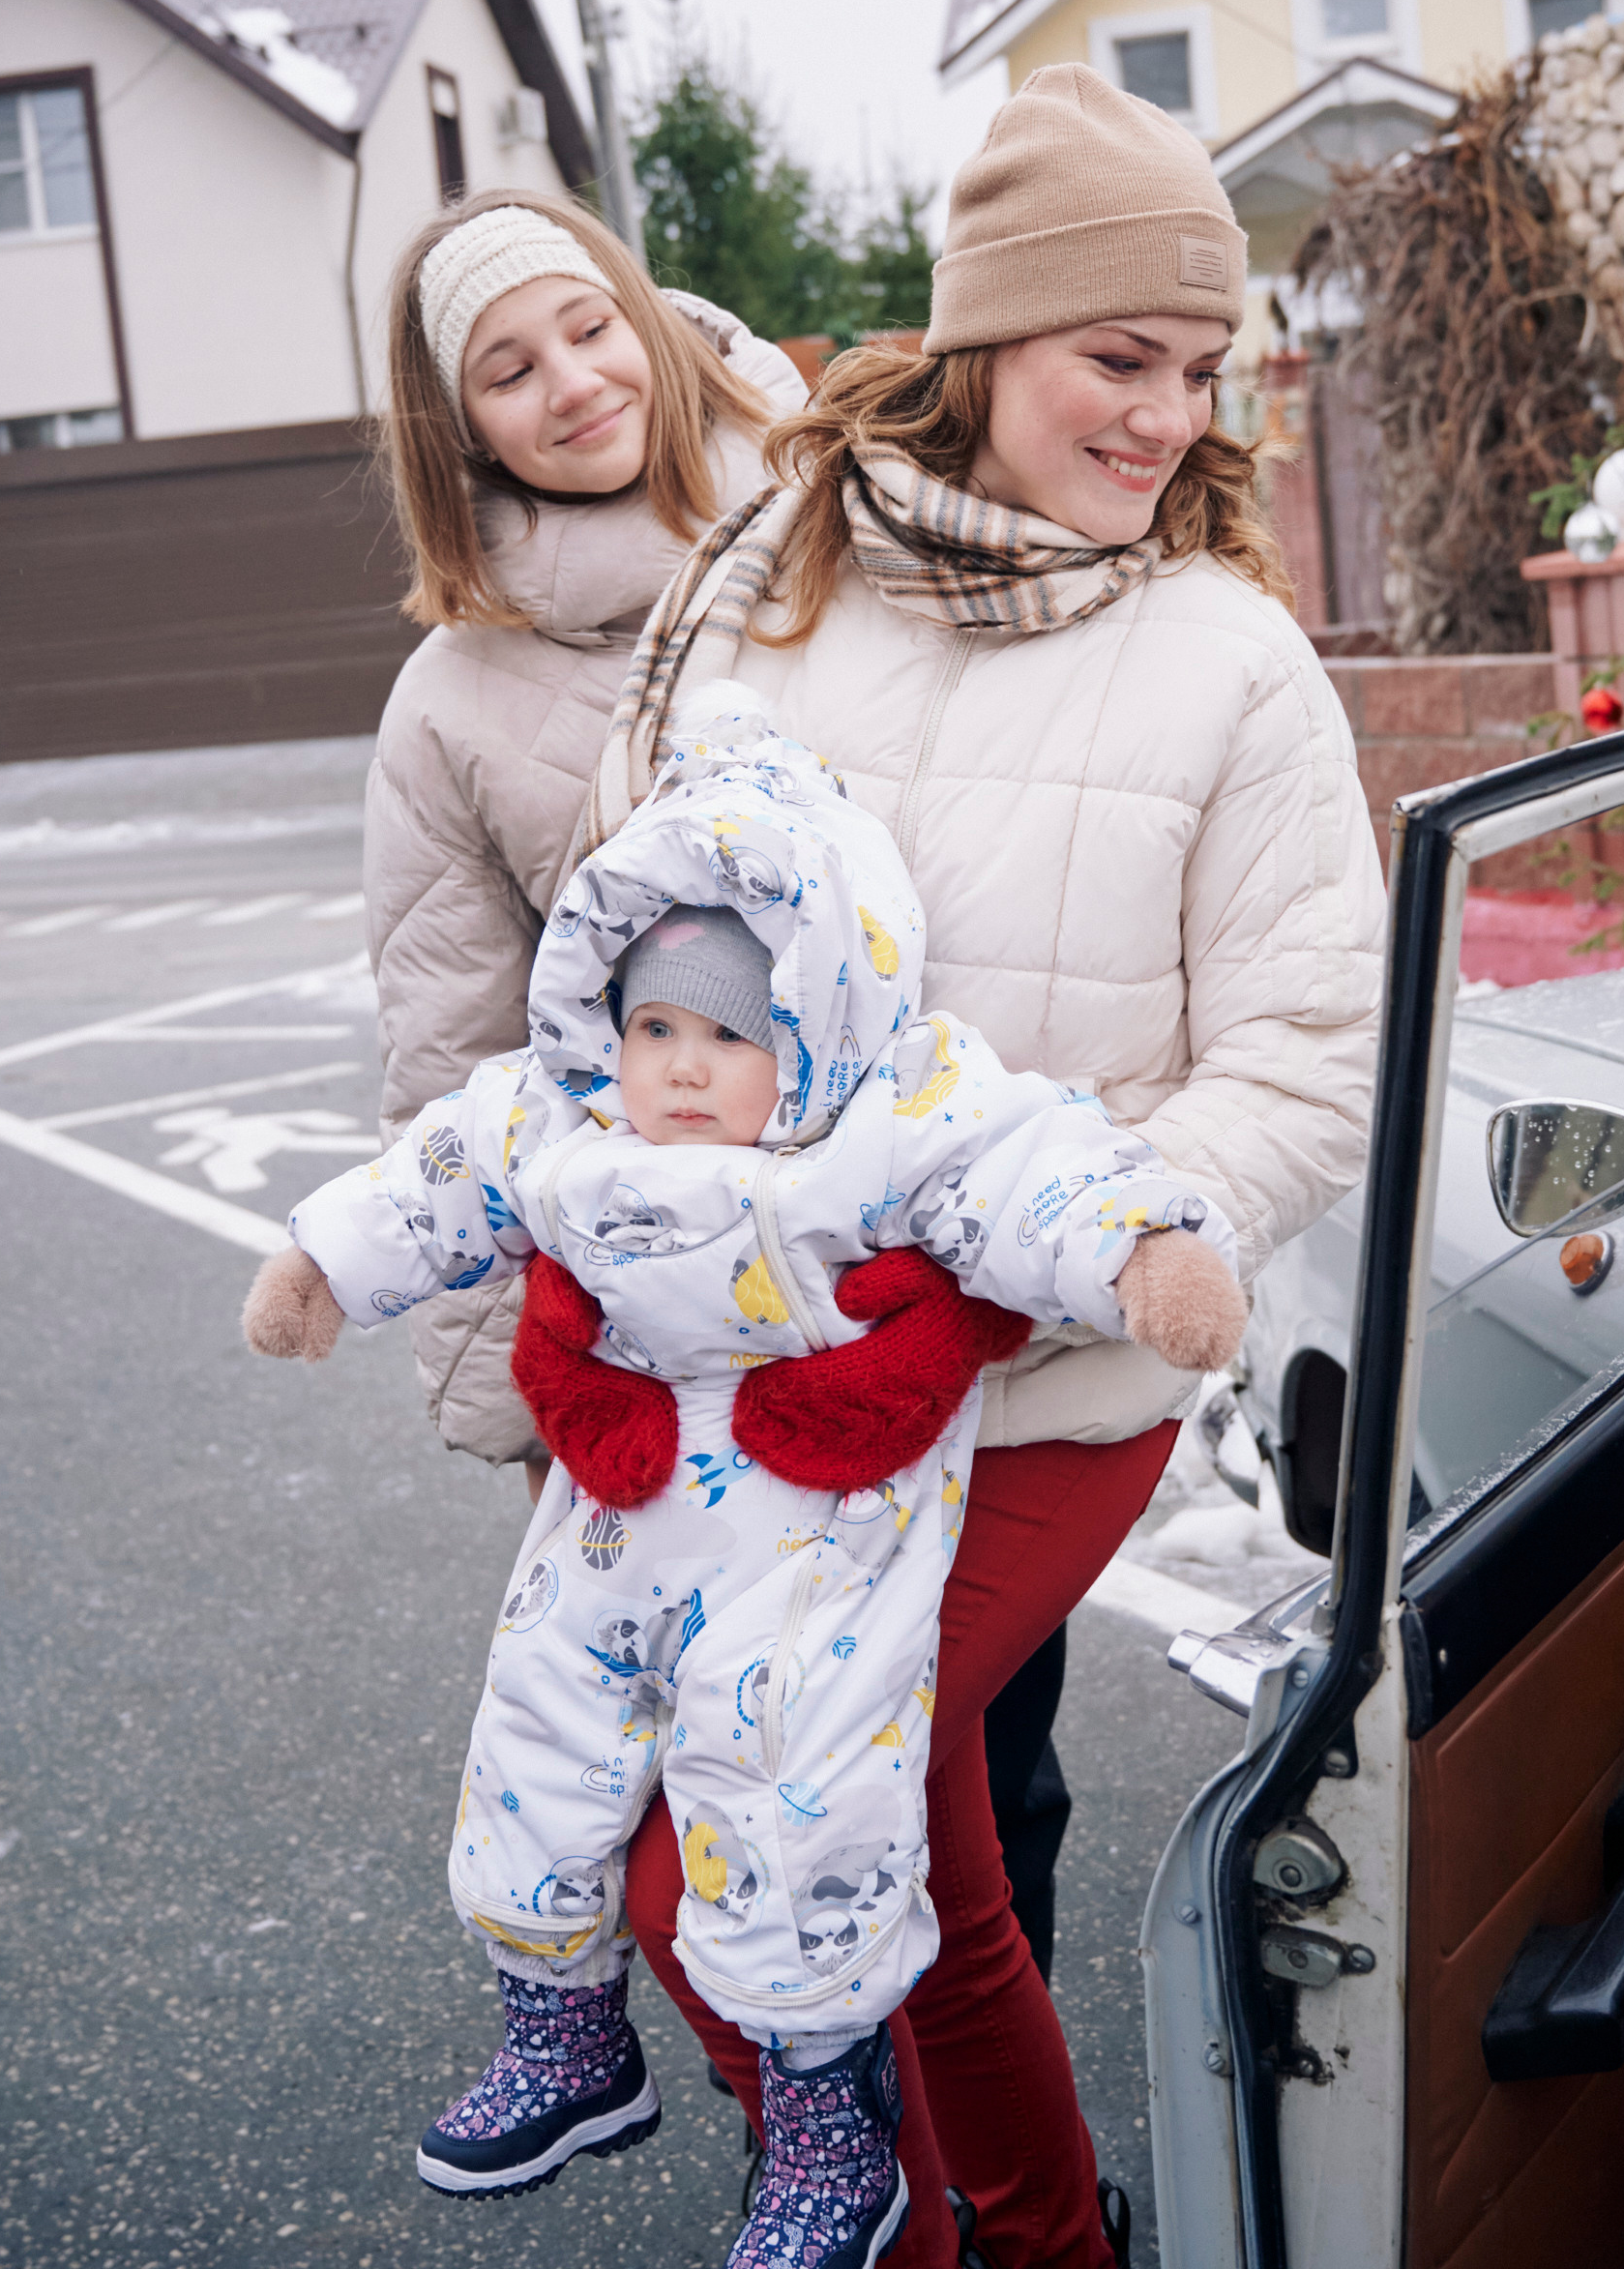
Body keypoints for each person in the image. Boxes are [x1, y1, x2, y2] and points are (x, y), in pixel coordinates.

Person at [577, 63, 1388, 2268]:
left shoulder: (1230, 656)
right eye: (1118, 358)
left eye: (1201, 371)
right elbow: (633, 943)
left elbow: (1310, 1064)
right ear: (982, 341)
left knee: (746, 1847)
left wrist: (1043, 1249)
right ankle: (1026, 2238)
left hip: (1043, 1380)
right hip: (767, 1369)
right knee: (869, 1853)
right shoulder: (774, 591)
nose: (1163, 417)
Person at [241, 694, 1247, 2264]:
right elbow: (435, 1175)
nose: (684, 1069)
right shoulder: (560, 1114)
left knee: (787, 1785)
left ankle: (833, 2131)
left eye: (731, 1034)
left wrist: (1147, 1257)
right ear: (606, 1019)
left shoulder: (889, 1117)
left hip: (817, 1516)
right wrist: (319, 1264)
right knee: (537, 1725)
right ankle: (564, 2031)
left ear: (819, 1027)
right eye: (655, 1029)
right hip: (619, 1498)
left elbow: (1036, 1172)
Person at [364, 189, 805, 1491]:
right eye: (509, 371)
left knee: (984, 1695)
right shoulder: (450, 703)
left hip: (906, 1257)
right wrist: (505, 1383)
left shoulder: (840, 534)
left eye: (588, 326)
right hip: (655, 1320)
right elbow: (453, 1053)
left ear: (649, 323)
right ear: (464, 431)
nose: (572, 384)